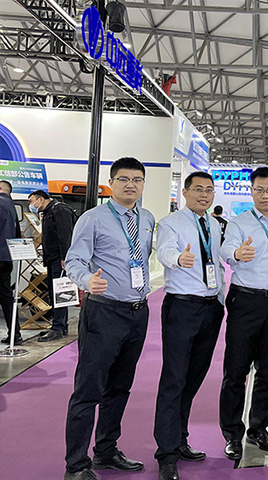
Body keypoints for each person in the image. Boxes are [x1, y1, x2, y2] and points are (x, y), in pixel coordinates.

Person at [64, 157, 156, 480]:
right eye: (124, 179)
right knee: (88, 389)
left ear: (143, 184)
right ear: (111, 182)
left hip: (137, 312)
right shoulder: (93, 219)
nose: (131, 185)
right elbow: (73, 260)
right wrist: (87, 280)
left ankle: (105, 450)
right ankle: (76, 465)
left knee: (119, 387)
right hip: (104, 312)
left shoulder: (146, 218)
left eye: (137, 180)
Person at [219, 167, 268, 460]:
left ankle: (258, 428)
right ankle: (232, 433)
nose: (265, 195)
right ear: (251, 191)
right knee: (236, 371)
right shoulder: (239, 223)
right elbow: (226, 250)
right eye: (259, 190)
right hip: (245, 301)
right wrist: (237, 254)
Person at [153, 172, 225, 480]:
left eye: (209, 190)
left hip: (211, 308)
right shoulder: (171, 223)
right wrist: (177, 258)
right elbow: (164, 250)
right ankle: (166, 454)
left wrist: (221, 299)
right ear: (185, 192)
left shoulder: (214, 225)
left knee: (194, 377)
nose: (204, 195)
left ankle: (180, 439)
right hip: (182, 307)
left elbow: (217, 264)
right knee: (174, 379)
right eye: (198, 189)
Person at [28, 190, 78, 342]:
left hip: (59, 259)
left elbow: (65, 234)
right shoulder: (48, 211)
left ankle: (58, 327)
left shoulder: (59, 209)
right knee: (55, 291)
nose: (31, 205)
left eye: (31, 201)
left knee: (60, 292)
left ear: (40, 199)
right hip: (52, 258)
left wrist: (65, 257)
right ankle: (60, 325)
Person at [1, 179, 22, 345]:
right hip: (7, 257)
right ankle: (15, 333)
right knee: (6, 295)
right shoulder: (12, 206)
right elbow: (17, 233)